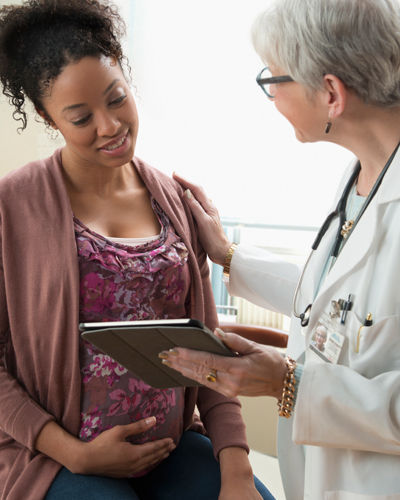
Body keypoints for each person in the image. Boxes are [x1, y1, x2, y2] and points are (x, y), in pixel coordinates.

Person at [0, 1, 274, 499]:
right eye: (81, 118)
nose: (109, 126)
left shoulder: (172, 197)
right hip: (62, 458)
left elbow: (206, 345)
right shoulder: (10, 208)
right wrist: (73, 453)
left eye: (117, 98)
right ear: (47, 116)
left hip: (169, 448)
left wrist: (235, 467)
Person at [159, 0, 400, 498]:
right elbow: (339, 301)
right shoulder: (362, 177)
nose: (270, 96)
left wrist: (287, 384)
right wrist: (228, 256)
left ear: (331, 92)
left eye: (273, 79)